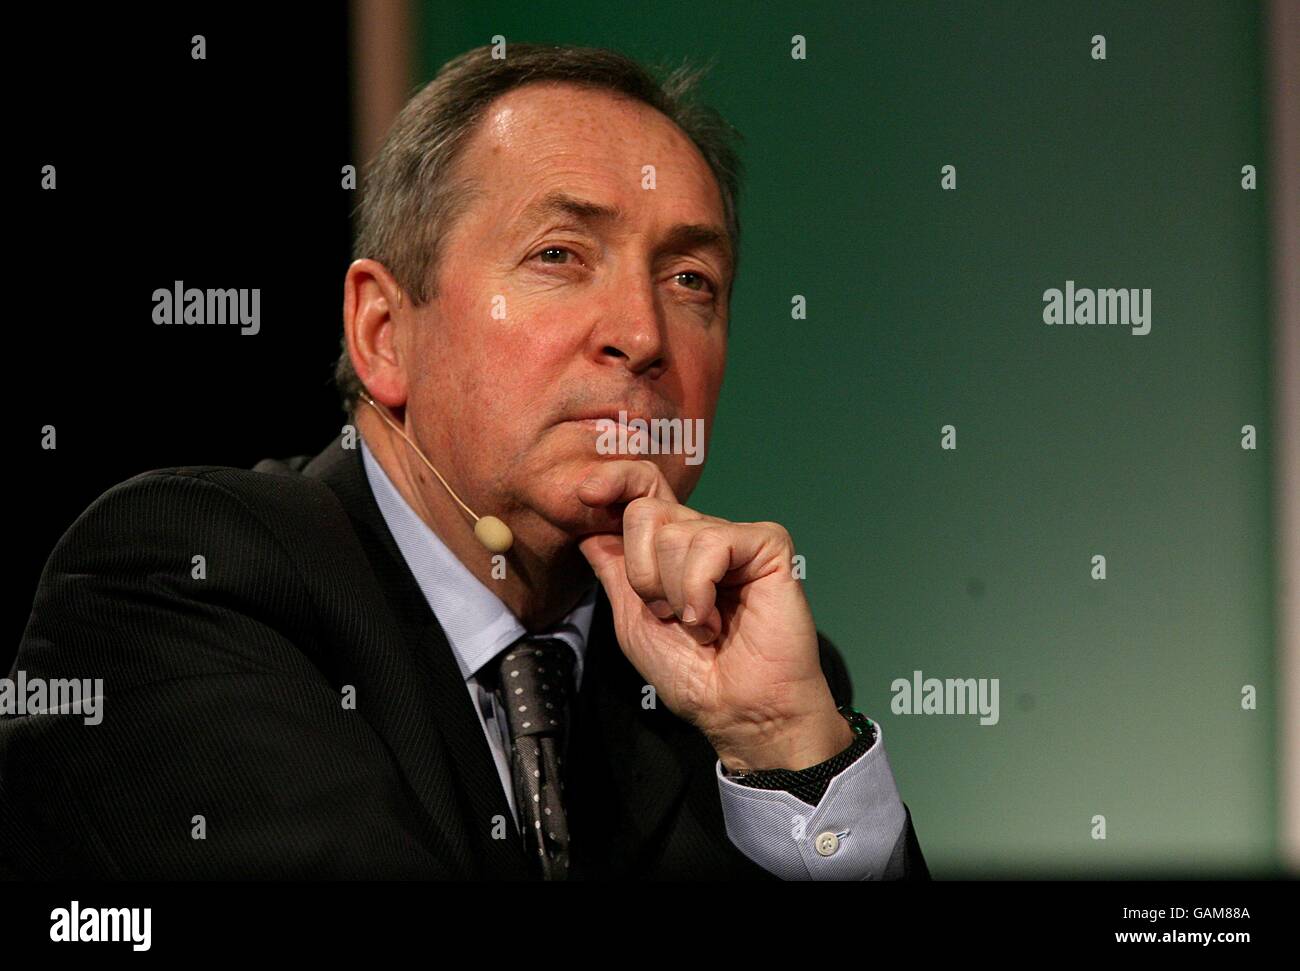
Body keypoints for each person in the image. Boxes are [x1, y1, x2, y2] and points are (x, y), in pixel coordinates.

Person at [0, 43, 927, 880]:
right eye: (560, 254)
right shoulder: (182, 579)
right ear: (383, 332)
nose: (644, 335)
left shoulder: (736, 686)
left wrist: (786, 743)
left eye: (692, 281)